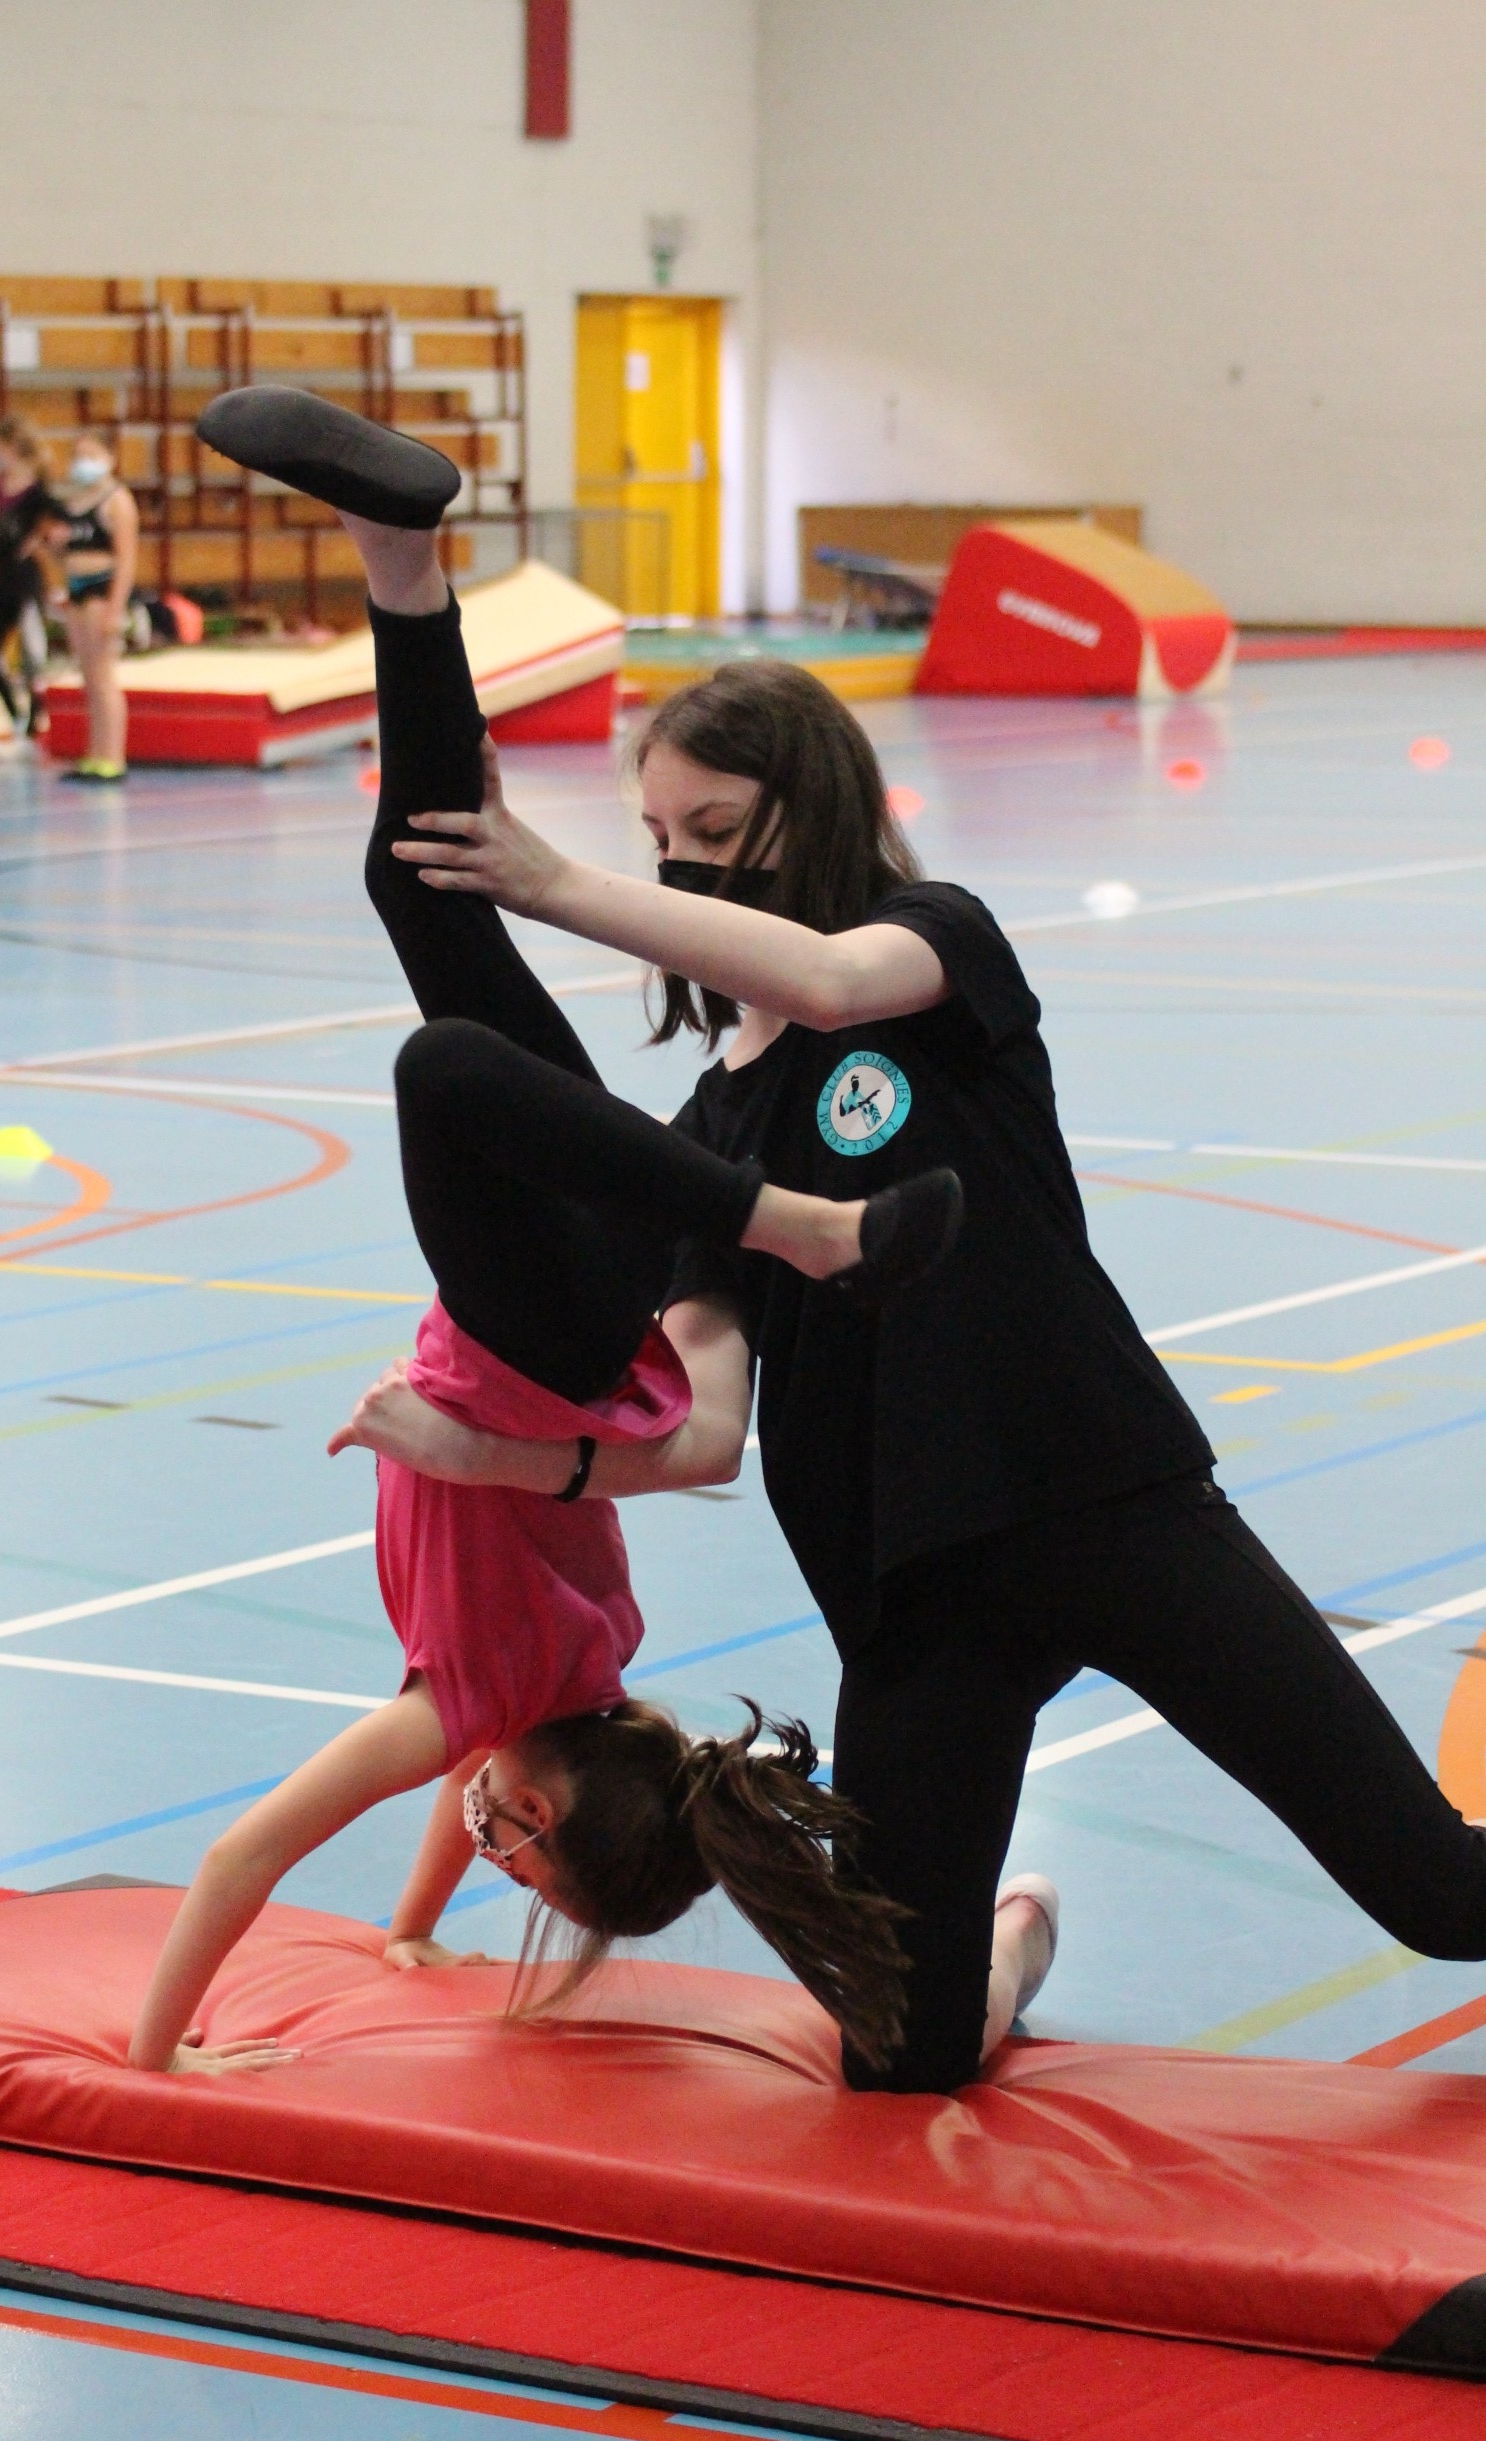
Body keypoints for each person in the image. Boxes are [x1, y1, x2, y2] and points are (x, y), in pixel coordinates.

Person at [305, 482, 1486, 2103]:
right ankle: (1011, 1941)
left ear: (810, 809)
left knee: (1443, 1898)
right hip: (916, 1598)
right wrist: (492, 1458)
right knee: (900, 2056)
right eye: (661, 840)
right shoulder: (711, 1139)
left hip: (1110, 1513)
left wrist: (551, 877)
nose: (683, 867)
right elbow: (702, 1434)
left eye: (715, 831)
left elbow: (822, 978)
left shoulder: (929, 951)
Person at [126, 398, 1022, 2081]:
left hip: (598, 1287)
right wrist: (157, 2061)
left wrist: (410, 1927)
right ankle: (804, 1228)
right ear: (535, 1807)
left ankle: (403, 564)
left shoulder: (592, 1675)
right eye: (510, 1856)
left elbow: (477, 1782)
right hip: (533, 1329)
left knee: (423, 881)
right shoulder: (468, 1716)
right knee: (441, 1065)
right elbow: (249, 1852)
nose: (479, 1844)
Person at [48, 428, 138, 782]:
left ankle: (113, 756)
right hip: (76, 588)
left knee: (103, 675)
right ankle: (95, 752)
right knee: (87, 675)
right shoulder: (74, 502)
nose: (83, 463)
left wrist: (116, 607)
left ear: (110, 458)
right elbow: (64, 556)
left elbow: (126, 558)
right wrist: (56, 546)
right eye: (78, 456)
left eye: (91, 456)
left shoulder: (117, 500)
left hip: (102, 587)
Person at [0, 415, 53, 746]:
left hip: (27, 580)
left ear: (13, 449)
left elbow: (57, 520)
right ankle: (16, 714)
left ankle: (35, 719)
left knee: (32, 653)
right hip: (3, 580)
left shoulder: (36, 491)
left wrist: (38, 539)